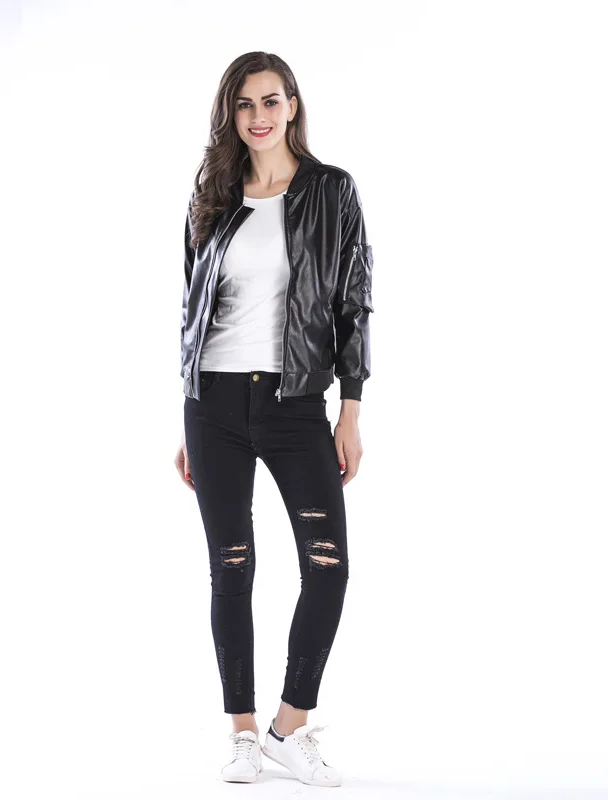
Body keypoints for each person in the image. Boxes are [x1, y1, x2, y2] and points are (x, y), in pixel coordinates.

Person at [174, 51, 374, 788]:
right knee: (231, 570)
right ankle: (242, 736)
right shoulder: (213, 196)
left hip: (296, 405)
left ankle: (289, 728)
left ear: (292, 104)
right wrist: (186, 418)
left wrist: (350, 409)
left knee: (328, 569)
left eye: (270, 100)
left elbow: (354, 301)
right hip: (215, 406)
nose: (258, 116)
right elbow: (191, 310)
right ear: (231, 114)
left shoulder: (331, 190)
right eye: (244, 104)